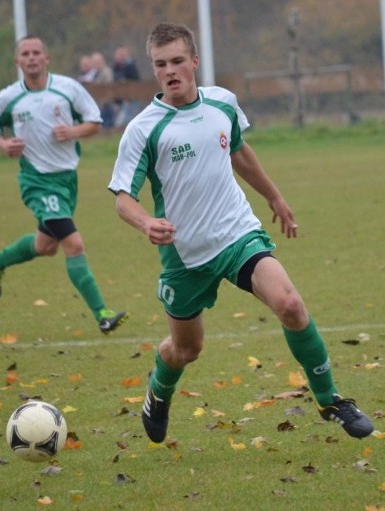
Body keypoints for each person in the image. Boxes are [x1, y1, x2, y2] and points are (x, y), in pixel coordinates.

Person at [108, 23, 373, 443]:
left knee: (290, 304)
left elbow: (239, 153)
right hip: (185, 256)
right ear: (153, 69)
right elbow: (123, 196)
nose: (170, 71)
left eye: (177, 60)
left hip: (237, 235)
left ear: (194, 60)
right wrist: (146, 222)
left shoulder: (222, 104)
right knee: (186, 351)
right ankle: (159, 391)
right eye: (161, 64)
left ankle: (330, 400)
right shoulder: (144, 129)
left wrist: (275, 197)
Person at [0, 35, 127, 334]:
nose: (32, 57)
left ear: (46, 58)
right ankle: (102, 313)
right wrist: (2, 144)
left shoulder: (68, 89)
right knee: (73, 244)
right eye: (26, 53)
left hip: (67, 180)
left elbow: (95, 122)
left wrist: (73, 131)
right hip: (36, 181)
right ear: (18, 61)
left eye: (37, 52)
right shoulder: (9, 97)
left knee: (45, 245)